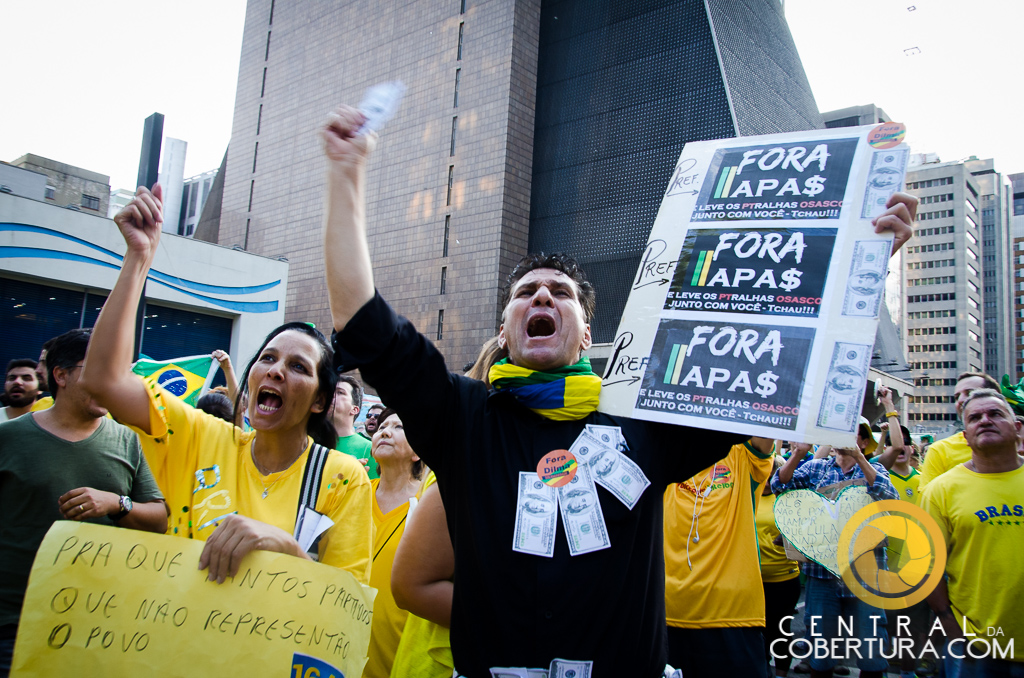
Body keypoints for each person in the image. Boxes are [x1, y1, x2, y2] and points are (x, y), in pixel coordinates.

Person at [321, 104, 918, 676]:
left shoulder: (644, 422)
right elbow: (367, 326)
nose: (542, 297)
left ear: (586, 336)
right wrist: (347, 174)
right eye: (525, 292)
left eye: (562, 293)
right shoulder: (461, 416)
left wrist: (860, 265)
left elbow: (781, 367)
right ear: (505, 330)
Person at [79, 184, 373, 584]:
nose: (275, 370)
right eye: (267, 358)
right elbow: (102, 379)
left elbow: (347, 603)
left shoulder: (341, 477)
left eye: (299, 367)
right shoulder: (200, 437)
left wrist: (284, 547)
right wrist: (138, 258)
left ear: (320, 401)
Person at [0, 329, 167, 677]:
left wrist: (117, 503)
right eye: (97, 370)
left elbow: (159, 517)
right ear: (60, 375)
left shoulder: (126, 441)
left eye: (115, 374)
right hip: (12, 627)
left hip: (97, 628)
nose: (108, 384)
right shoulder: (9, 438)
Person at [772, 444, 899, 678]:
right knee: (821, 650)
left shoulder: (874, 468)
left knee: (871, 650)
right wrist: (798, 453)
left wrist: (859, 457)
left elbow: (890, 496)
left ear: (861, 441)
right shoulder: (815, 468)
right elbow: (779, 485)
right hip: (822, 576)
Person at [922, 389, 1024, 678]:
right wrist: (950, 627)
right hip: (977, 646)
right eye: (975, 417)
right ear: (965, 437)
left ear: (1017, 428)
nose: (985, 420)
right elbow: (927, 569)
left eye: (995, 414)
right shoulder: (940, 491)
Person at [662, 437, 776, 677]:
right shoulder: (665, 452)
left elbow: (769, 419)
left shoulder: (742, 455)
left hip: (731, 616)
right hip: (666, 613)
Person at [364, 408, 429, 678]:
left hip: (398, 652)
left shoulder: (429, 504)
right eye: (381, 427)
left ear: (417, 452)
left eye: (399, 427)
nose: (385, 431)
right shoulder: (352, 493)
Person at [758, 455, 802, 678]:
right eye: (762, 477)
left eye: (770, 477)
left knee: (781, 631)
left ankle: (782, 674)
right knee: (759, 632)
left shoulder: (786, 499)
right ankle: (764, 671)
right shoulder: (749, 496)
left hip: (784, 578)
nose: (766, 482)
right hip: (754, 579)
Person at [919, 372, 1000, 490]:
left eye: (970, 393)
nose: (961, 400)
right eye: (957, 397)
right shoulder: (940, 451)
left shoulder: (1017, 442)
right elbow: (928, 502)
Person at [332, 374, 376, 478]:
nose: (331, 395)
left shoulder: (369, 449)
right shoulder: (307, 442)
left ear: (354, 409)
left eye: (340, 392)